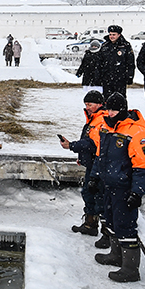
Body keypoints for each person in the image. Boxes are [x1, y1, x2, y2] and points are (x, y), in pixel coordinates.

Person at [93, 92, 145, 283]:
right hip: (109, 184)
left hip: (123, 187)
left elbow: (142, 166)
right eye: (108, 109)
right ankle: (115, 254)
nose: (110, 113)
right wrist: (96, 177)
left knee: (125, 225)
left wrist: (137, 191)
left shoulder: (136, 132)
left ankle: (130, 268)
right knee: (110, 221)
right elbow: (100, 156)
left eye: (114, 109)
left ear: (123, 110)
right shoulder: (107, 129)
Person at [59, 90, 108, 237]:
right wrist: (82, 157)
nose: (87, 107)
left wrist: (72, 146)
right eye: (86, 104)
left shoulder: (101, 119)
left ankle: (106, 233)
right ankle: (90, 224)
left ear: (100, 104)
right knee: (89, 193)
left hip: (99, 165)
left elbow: (93, 144)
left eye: (90, 104)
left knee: (99, 196)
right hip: (92, 163)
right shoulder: (93, 118)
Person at [96, 25, 135, 102]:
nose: (111, 36)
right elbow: (99, 62)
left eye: (114, 35)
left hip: (120, 78)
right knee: (107, 99)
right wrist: (98, 76)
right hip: (107, 78)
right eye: (110, 34)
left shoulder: (125, 46)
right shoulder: (105, 46)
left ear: (119, 35)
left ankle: (122, 114)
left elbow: (130, 63)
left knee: (120, 100)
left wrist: (130, 76)